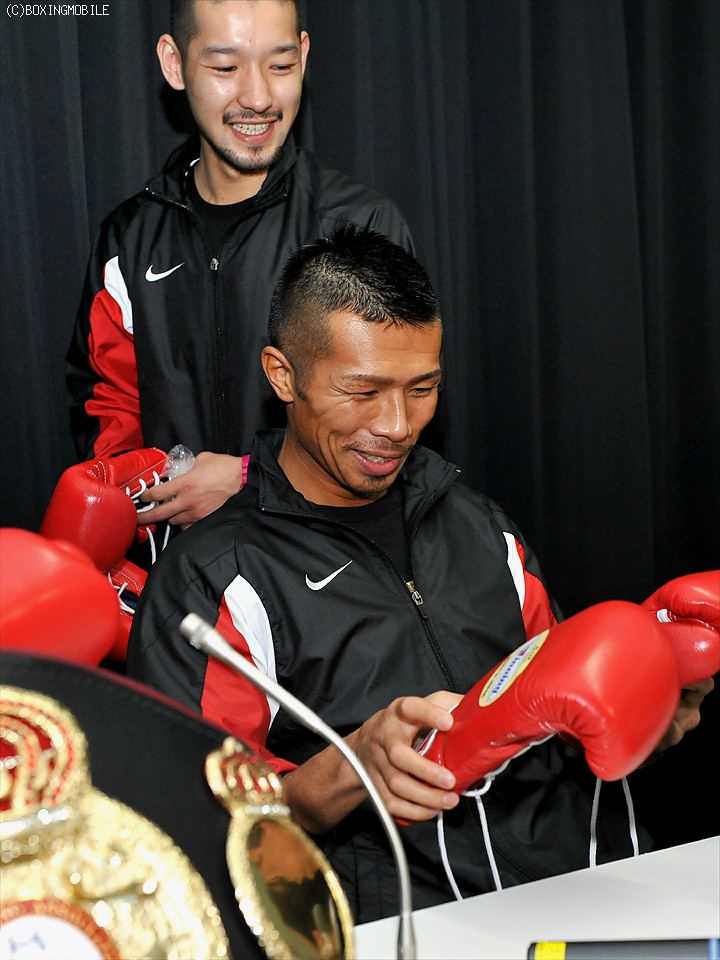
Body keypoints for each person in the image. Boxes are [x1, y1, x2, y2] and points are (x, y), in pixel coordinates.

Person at [127, 226, 716, 924]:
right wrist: (351, 769)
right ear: (283, 375)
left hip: (596, 889)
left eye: (423, 388)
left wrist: (655, 710)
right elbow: (194, 826)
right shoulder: (215, 578)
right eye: (363, 391)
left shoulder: (478, 523)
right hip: (418, 926)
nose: (398, 425)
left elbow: (563, 718)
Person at [66, 0, 415, 534]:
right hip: (176, 565)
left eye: (280, 65)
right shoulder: (128, 240)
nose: (258, 97)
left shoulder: (360, 227)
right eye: (226, 67)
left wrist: (252, 479)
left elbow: (389, 417)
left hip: (323, 560)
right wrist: (142, 502)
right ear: (174, 63)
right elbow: (108, 402)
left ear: (303, 57)